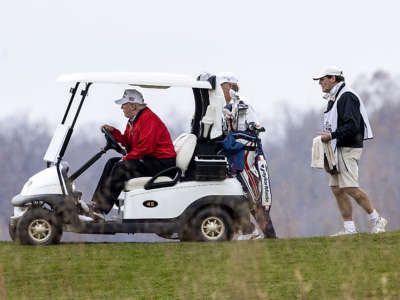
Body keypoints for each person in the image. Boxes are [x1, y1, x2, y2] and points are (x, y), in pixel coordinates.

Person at [313, 66, 387, 235]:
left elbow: (353, 126)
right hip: (338, 148)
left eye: (323, 79)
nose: (320, 83)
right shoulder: (336, 96)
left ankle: (377, 219)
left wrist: (331, 136)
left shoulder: (346, 96)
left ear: (334, 79)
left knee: (350, 187)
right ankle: (349, 228)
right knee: (337, 189)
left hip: (348, 147)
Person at [90, 89, 176, 219]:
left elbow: (145, 149)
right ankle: (95, 204)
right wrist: (114, 132)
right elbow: (129, 143)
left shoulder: (149, 120)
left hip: (162, 164)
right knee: (112, 162)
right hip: (150, 160)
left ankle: (100, 210)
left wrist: (126, 158)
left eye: (124, 104)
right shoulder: (133, 121)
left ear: (133, 106)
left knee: (122, 167)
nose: (121, 108)